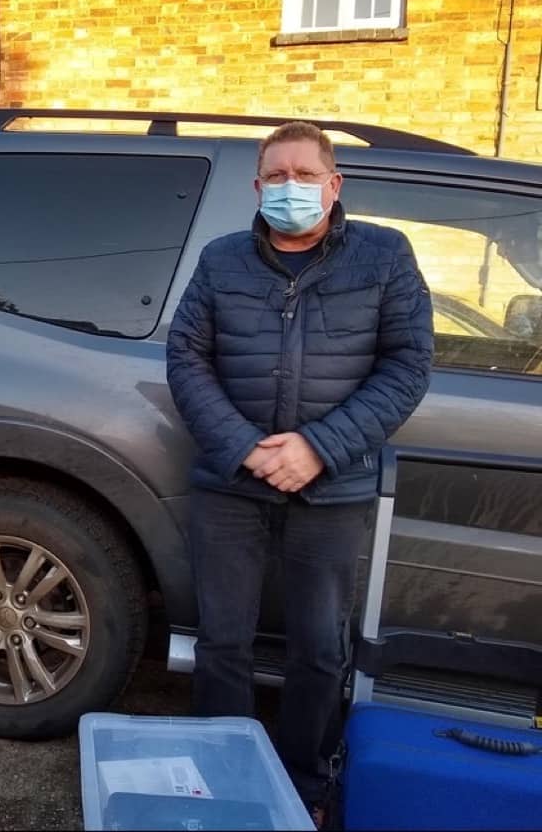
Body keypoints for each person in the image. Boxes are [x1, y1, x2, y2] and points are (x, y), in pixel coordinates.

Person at [165, 121, 433, 818]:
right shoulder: (222, 260)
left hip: (334, 485)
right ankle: (225, 779)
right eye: (277, 177)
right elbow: (186, 358)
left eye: (305, 176)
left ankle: (305, 786)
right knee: (223, 641)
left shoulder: (384, 255)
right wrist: (246, 447)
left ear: (334, 184)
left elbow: (407, 366)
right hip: (231, 483)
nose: (291, 189)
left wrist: (317, 447)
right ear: (256, 188)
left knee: (320, 649)